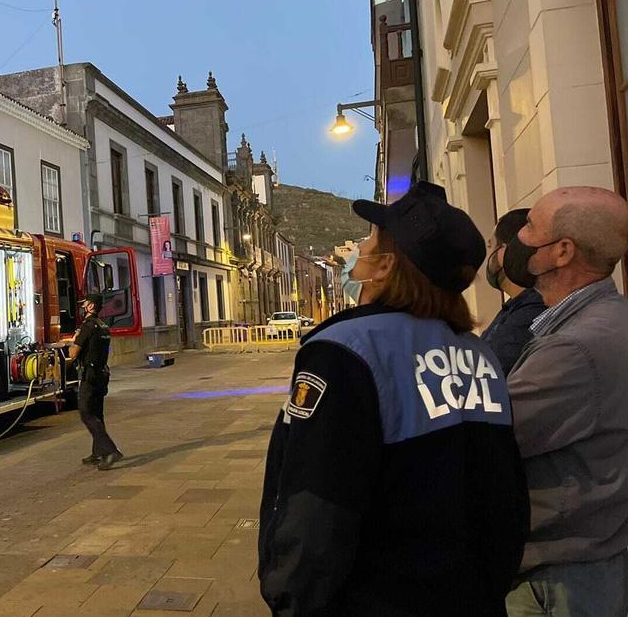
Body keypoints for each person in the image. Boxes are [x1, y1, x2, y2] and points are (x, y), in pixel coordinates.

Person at [258, 181, 529, 615]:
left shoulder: (344, 350)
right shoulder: (477, 352)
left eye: (367, 241)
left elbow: (318, 502)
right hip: (471, 595)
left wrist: (290, 597)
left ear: (385, 266)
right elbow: (504, 493)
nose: (357, 252)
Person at [500, 187, 628, 616]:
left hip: (563, 577)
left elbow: (493, 436)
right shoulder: (608, 319)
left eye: (531, 227)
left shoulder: (573, 348)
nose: (520, 237)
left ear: (562, 251)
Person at [481, 208, 546, 373]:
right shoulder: (515, 305)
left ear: (503, 252)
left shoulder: (532, 308)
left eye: (491, 247)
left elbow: (489, 371)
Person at [69, 294, 122, 470]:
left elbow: (73, 354)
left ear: (91, 306)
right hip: (102, 374)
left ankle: (110, 451)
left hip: (89, 375)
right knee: (97, 414)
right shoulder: (103, 326)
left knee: (86, 413)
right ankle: (98, 452)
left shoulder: (87, 326)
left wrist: (74, 340)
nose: (82, 306)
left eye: (84, 303)